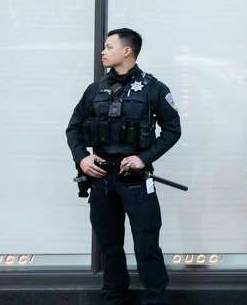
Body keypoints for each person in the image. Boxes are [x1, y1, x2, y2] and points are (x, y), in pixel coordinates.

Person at [65, 28, 182, 305]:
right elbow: (74, 129)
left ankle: (156, 299)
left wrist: (144, 158)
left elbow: (172, 130)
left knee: (146, 245)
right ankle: (114, 297)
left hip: (136, 179)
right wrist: (82, 158)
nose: (103, 52)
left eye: (108, 46)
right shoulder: (95, 90)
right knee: (110, 246)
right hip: (102, 178)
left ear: (126, 51)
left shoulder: (154, 89)